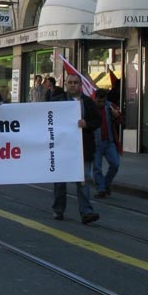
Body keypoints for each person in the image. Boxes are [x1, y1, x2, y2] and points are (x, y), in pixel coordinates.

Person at [52, 74, 101, 225]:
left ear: (80, 85)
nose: (73, 85)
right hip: (62, 147)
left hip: (82, 149)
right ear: (65, 84)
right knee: (60, 181)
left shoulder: (87, 102)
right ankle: (58, 209)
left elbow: (97, 120)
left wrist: (86, 123)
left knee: (83, 180)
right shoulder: (57, 101)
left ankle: (86, 211)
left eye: (76, 83)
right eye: (70, 82)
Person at [93, 89, 122, 198]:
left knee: (115, 163)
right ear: (95, 98)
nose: (101, 104)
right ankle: (101, 189)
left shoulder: (110, 106)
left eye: (103, 101)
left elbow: (119, 121)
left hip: (109, 141)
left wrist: (116, 115)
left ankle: (105, 184)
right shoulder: (90, 107)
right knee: (97, 167)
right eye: (99, 101)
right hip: (95, 142)